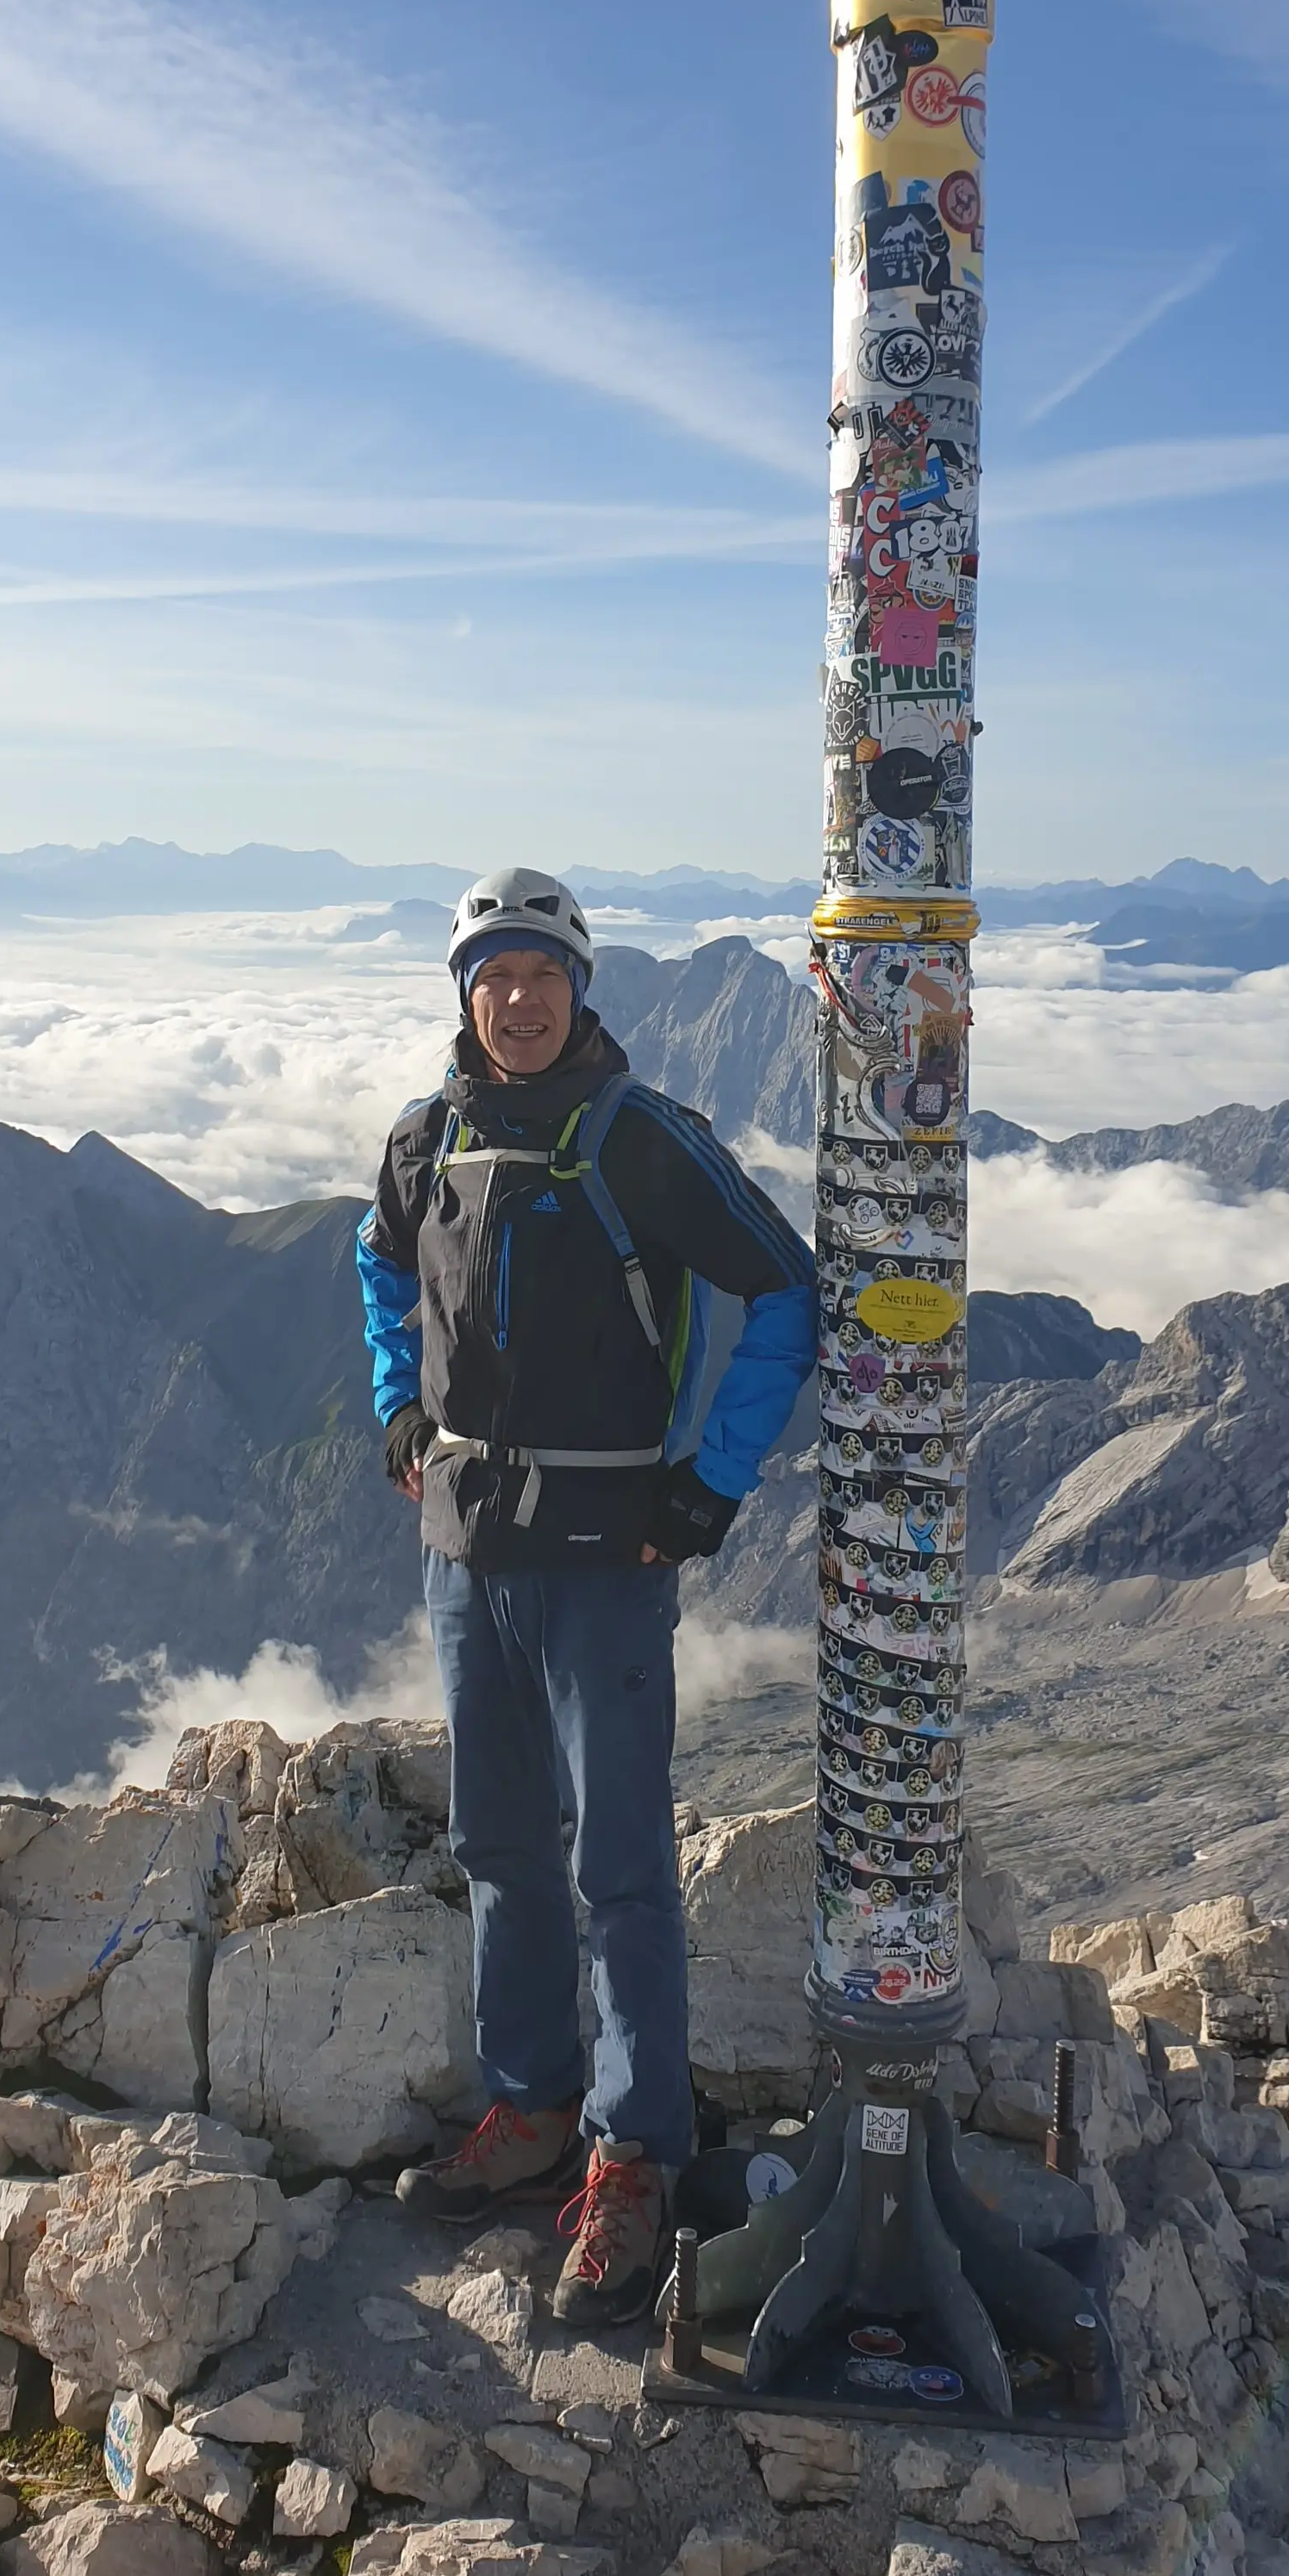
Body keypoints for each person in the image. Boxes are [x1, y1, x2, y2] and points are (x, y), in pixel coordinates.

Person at [356, 866, 816, 2328]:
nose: (519, 997)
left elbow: (791, 1289)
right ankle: (531, 2107)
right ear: (464, 993)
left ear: (582, 985)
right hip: (466, 1554)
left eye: (541, 972)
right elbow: (377, 1270)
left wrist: (710, 1486)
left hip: (610, 1561)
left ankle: (635, 2153)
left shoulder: (644, 1140)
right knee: (499, 1844)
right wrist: (394, 1410)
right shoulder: (423, 1140)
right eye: (493, 974)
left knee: (620, 1864)